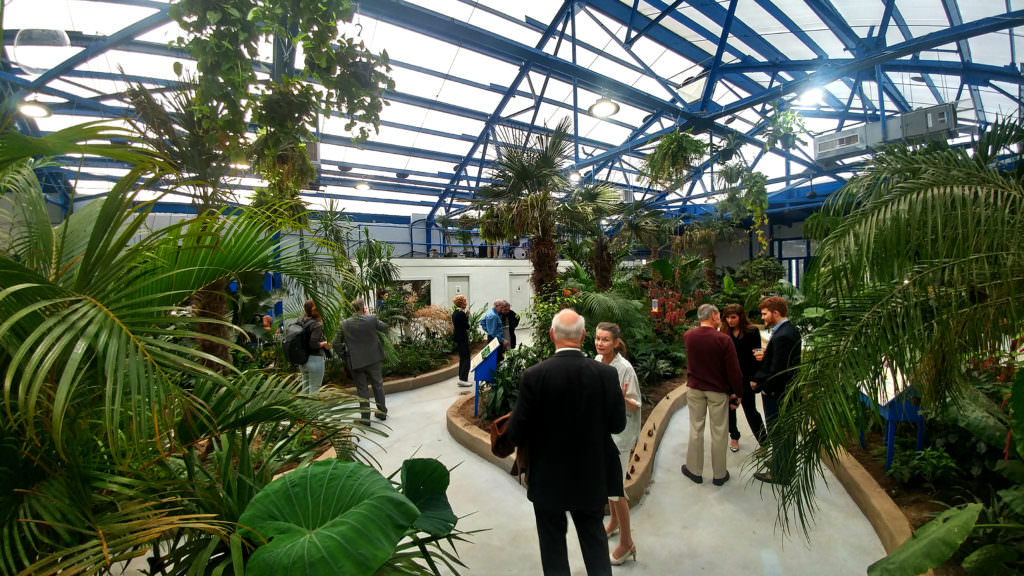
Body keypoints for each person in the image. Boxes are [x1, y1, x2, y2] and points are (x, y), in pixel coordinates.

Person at [506, 309, 625, 576]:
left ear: (552, 335)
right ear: (583, 336)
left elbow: (515, 433)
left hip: (548, 480)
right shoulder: (606, 375)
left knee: (552, 548)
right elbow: (618, 425)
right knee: (595, 543)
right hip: (591, 477)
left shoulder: (534, 376)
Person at [681, 304, 744, 487]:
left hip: (695, 389)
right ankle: (719, 474)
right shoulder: (723, 340)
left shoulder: (688, 336)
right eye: (719, 316)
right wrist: (738, 392)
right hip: (717, 391)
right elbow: (734, 370)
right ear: (714, 316)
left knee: (696, 429)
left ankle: (694, 471)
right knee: (719, 432)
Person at [593, 322, 641, 566]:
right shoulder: (597, 360)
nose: (600, 343)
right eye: (598, 338)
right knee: (608, 484)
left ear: (615, 343)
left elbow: (635, 405)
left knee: (616, 490)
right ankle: (612, 523)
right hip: (602, 434)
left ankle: (627, 542)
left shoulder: (625, 369)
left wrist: (620, 397)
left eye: (605, 340)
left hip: (620, 436)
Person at [750, 296, 802, 484]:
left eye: (765, 314)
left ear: (776, 313)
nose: (763, 318)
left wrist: (760, 386)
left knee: (779, 432)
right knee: (782, 433)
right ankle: (781, 463)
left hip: (778, 394)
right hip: (784, 392)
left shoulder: (783, 336)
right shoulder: (788, 330)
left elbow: (778, 371)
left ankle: (782, 473)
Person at [720, 304, 767, 451]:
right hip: (730, 379)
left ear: (740, 317)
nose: (730, 320)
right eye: (727, 317)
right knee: (730, 411)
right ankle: (734, 437)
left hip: (746, 377)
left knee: (751, 411)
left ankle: (764, 442)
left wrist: (755, 377)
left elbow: (757, 355)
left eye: (733, 317)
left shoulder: (752, 331)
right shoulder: (724, 332)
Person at [341, 298, 389, 424]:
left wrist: (345, 355)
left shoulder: (345, 323)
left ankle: (365, 419)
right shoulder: (371, 319)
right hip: (374, 358)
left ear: (352, 309)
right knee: (378, 385)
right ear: (363, 308)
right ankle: (382, 412)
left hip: (356, 362)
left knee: (362, 389)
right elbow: (384, 327)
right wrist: (369, 318)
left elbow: (336, 343)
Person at [298, 300, 331, 394]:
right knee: (314, 391)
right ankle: (314, 409)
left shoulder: (301, 320)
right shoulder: (316, 324)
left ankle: (304, 408)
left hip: (303, 360)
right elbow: (313, 344)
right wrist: (324, 344)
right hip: (315, 360)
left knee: (305, 390)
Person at [480, 299, 509, 365]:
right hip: (495, 340)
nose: (502, 309)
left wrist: (488, 330)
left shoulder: (491, 312)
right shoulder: (493, 316)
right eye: (501, 307)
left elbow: (482, 322)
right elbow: (492, 333)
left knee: (495, 358)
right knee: (498, 360)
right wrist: (503, 340)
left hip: (492, 338)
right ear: (496, 306)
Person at [452, 294, 472, 387]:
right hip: (462, 338)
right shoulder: (461, 313)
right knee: (466, 358)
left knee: (462, 358)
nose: (466, 303)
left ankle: (461, 377)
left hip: (458, 338)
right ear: (461, 303)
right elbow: (466, 326)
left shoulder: (455, 312)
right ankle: (463, 379)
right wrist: (467, 316)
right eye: (464, 302)